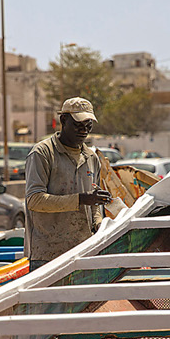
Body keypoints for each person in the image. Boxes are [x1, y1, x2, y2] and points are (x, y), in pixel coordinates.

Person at [25, 97, 111, 270]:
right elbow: (34, 200)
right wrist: (80, 200)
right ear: (63, 120)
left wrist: (99, 224)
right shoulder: (42, 153)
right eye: (78, 125)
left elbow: (93, 205)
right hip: (48, 255)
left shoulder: (91, 158)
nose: (84, 131)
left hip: (82, 251)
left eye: (88, 126)